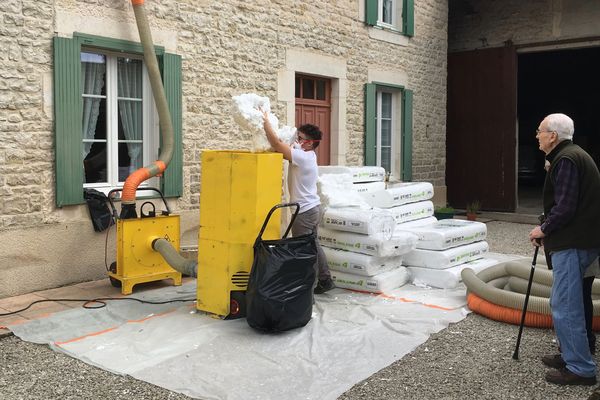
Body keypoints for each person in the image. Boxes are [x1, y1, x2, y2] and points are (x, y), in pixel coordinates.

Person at [529, 113, 600, 386]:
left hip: (573, 243)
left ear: (553, 136)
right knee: (576, 300)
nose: (536, 135)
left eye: (540, 131)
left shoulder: (567, 159)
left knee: (565, 305)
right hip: (582, 240)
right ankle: (573, 354)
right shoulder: (570, 156)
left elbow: (566, 207)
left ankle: (580, 368)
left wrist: (543, 229)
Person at [261, 110, 334, 294]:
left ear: (308, 143)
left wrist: (265, 121)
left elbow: (277, 144)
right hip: (310, 209)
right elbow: (283, 148)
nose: (296, 140)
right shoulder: (306, 155)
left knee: (303, 248)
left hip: (304, 212)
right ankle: (325, 279)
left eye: (299, 138)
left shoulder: (303, 157)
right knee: (313, 244)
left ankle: (307, 284)